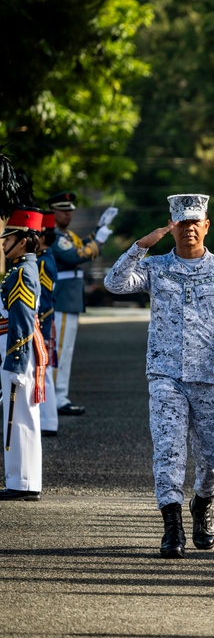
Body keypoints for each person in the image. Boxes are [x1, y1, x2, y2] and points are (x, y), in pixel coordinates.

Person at [104, 194, 214, 558]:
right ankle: (172, 526)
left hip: (210, 377)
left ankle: (202, 505)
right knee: (168, 450)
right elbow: (114, 283)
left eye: (194, 222)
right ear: (172, 227)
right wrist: (140, 246)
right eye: (181, 224)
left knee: (211, 456)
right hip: (165, 374)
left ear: (206, 225)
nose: (188, 230)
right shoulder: (155, 268)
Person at [47, 190, 117, 416]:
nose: (68, 215)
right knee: (59, 350)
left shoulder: (66, 236)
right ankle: (56, 398)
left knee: (64, 350)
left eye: (70, 211)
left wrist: (99, 228)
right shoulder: (54, 237)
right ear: (53, 212)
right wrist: (99, 238)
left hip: (69, 299)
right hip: (62, 299)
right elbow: (76, 256)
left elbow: (82, 246)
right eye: (63, 210)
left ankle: (59, 395)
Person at [0, 207, 48, 501]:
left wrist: (16, 362)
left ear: (24, 241)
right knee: (18, 416)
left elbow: (21, 319)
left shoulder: (21, 272)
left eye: (9, 238)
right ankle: (21, 480)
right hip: (16, 347)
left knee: (19, 417)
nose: (4, 244)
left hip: (19, 350)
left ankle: (24, 482)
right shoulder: (21, 269)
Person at [37, 211, 59, 437]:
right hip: (47, 322)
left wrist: (41, 329)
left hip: (43, 322)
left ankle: (48, 421)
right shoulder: (46, 258)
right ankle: (48, 420)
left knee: (45, 373)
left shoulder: (43, 262)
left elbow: (43, 301)